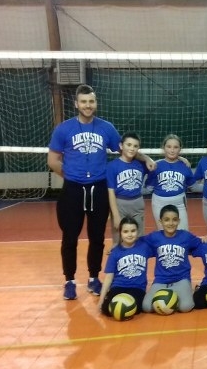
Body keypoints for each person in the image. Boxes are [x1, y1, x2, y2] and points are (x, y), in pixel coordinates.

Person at [47, 84, 153, 300]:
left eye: (91, 101)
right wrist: (72, 176)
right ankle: (69, 280)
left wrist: (147, 158)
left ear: (96, 103)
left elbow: (126, 150)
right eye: (83, 102)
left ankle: (93, 278)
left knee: (97, 237)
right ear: (76, 104)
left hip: (99, 188)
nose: (88, 105)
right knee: (70, 237)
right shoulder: (64, 129)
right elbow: (53, 160)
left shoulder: (106, 128)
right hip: (73, 190)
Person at [141, 204, 202, 313]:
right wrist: (119, 245)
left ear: (179, 221)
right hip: (161, 280)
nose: (170, 223)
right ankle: (173, 296)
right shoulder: (155, 237)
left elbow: (200, 244)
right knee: (147, 307)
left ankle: (193, 291)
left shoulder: (185, 236)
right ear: (160, 221)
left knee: (186, 307)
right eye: (166, 220)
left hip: (181, 279)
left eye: (174, 220)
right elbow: (138, 242)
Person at [98, 216, 152, 316]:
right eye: (126, 231)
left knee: (135, 308)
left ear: (137, 231)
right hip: (118, 286)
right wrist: (101, 299)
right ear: (120, 233)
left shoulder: (144, 247)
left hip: (137, 288)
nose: (130, 234)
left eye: (133, 231)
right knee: (106, 309)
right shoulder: (115, 252)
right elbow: (109, 277)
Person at [106, 132, 147, 245]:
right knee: (118, 239)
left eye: (135, 146)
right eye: (128, 145)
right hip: (120, 204)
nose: (132, 148)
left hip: (137, 203)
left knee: (139, 238)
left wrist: (181, 158)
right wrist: (115, 215)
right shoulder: (112, 166)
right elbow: (111, 192)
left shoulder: (141, 164)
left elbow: (160, 165)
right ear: (121, 146)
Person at [148, 134, 195, 231]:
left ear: (180, 149)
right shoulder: (156, 165)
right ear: (163, 148)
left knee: (183, 232)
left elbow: (193, 186)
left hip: (179, 203)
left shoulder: (185, 165)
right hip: (159, 203)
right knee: (163, 233)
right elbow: (149, 187)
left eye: (175, 147)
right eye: (169, 147)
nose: (172, 150)